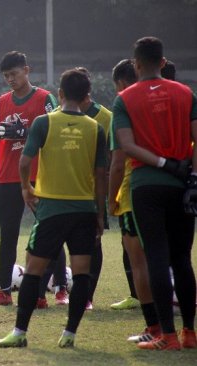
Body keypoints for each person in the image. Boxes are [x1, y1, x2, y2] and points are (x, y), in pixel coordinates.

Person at [0, 68, 107, 348]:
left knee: (33, 270)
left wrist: (25, 188)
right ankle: (69, 334)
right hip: (84, 211)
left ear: (60, 94)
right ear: (86, 97)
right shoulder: (96, 129)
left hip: (52, 210)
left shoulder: (44, 123)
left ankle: (20, 332)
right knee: (81, 273)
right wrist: (100, 214)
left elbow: (24, 162)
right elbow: (101, 175)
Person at [113, 36, 196, 350]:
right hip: (182, 186)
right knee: (183, 259)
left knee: (157, 258)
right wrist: (193, 177)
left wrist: (162, 163)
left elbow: (128, 145)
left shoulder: (125, 98)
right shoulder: (186, 93)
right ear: (163, 62)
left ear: (135, 64)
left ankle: (168, 336)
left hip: (147, 185)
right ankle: (190, 332)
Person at [0, 51, 68, 307]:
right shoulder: (1, 102)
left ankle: (61, 289)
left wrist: (27, 131)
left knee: (50, 231)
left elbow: (58, 129)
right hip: (7, 177)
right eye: (6, 76)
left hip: (41, 177)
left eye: (14, 74)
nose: (10, 79)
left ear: (27, 71)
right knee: (8, 234)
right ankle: (4, 291)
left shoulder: (44, 99)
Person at [108, 58, 160, 342]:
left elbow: (118, 162)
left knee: (140, 262)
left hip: (135, 192)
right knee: (171, 259)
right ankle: (186, 330)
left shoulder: (125, 105)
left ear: (122, 83)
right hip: (174, 188)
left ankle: (154, 328)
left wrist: (111, 200)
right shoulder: (176, 97)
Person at [76, 67, 112, 310]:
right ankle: (52, 292)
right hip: (64, 190)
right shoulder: (59, 115)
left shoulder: (105, 117)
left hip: (92, 190)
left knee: (94, 242)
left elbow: (109, 159)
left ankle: (88, 296)